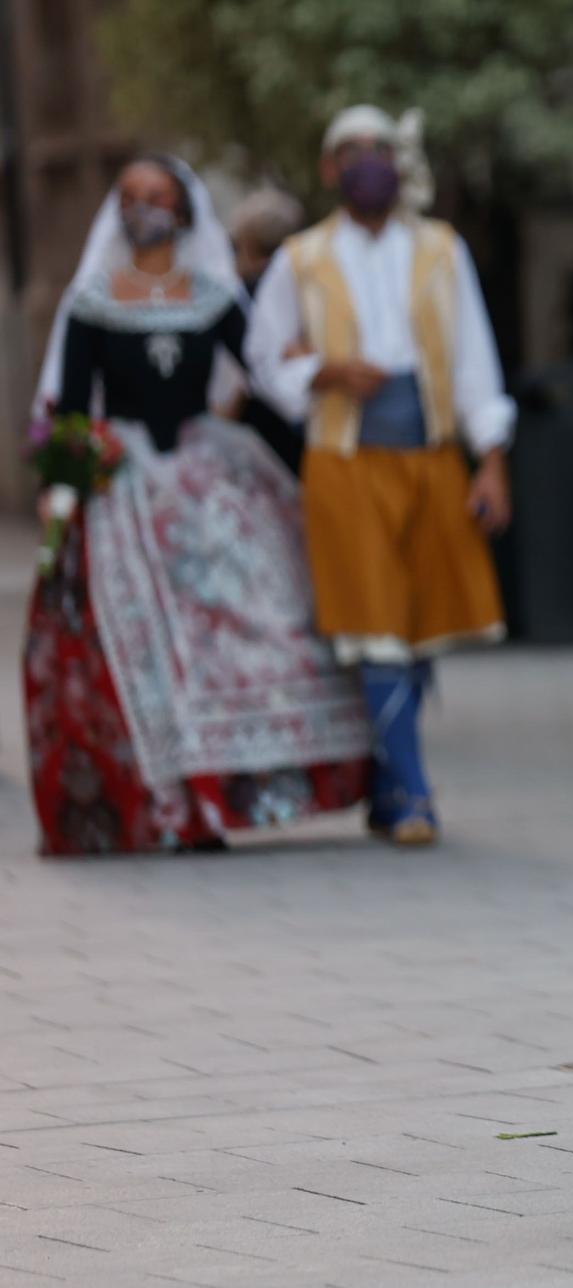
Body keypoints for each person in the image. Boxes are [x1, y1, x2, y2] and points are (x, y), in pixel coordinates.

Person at [24, 154, 373, 855]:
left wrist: (321, 372)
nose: (142, 208)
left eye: (155, 195)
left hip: (207, 472)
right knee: (139, 646)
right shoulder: (94, 300)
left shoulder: (212, 296)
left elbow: (266, 374)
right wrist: (64, 485)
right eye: (128, 195)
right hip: (123, 484)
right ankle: (166, 804)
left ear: (182, 211)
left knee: (260, 614)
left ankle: (234, 794)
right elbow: (68, 404)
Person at [246, 106, 513, 848]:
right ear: (330, 169)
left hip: (428, 453)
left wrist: (490, 458)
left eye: (380, 150)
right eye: (352, 152)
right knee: (372, 623)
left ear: (399, 165)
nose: (369, 162)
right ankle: (417, 793)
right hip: (343, 459)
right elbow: (263, 358)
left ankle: (389, 783)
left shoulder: (440, 250)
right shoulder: (299, 257)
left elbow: (472, 358)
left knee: (420, 618)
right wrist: (325, 369)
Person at [227, 186, 308, 473]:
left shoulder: (238, 296)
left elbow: (238, 374)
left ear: (246, 244)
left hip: (261, 426)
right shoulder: (314, 286)